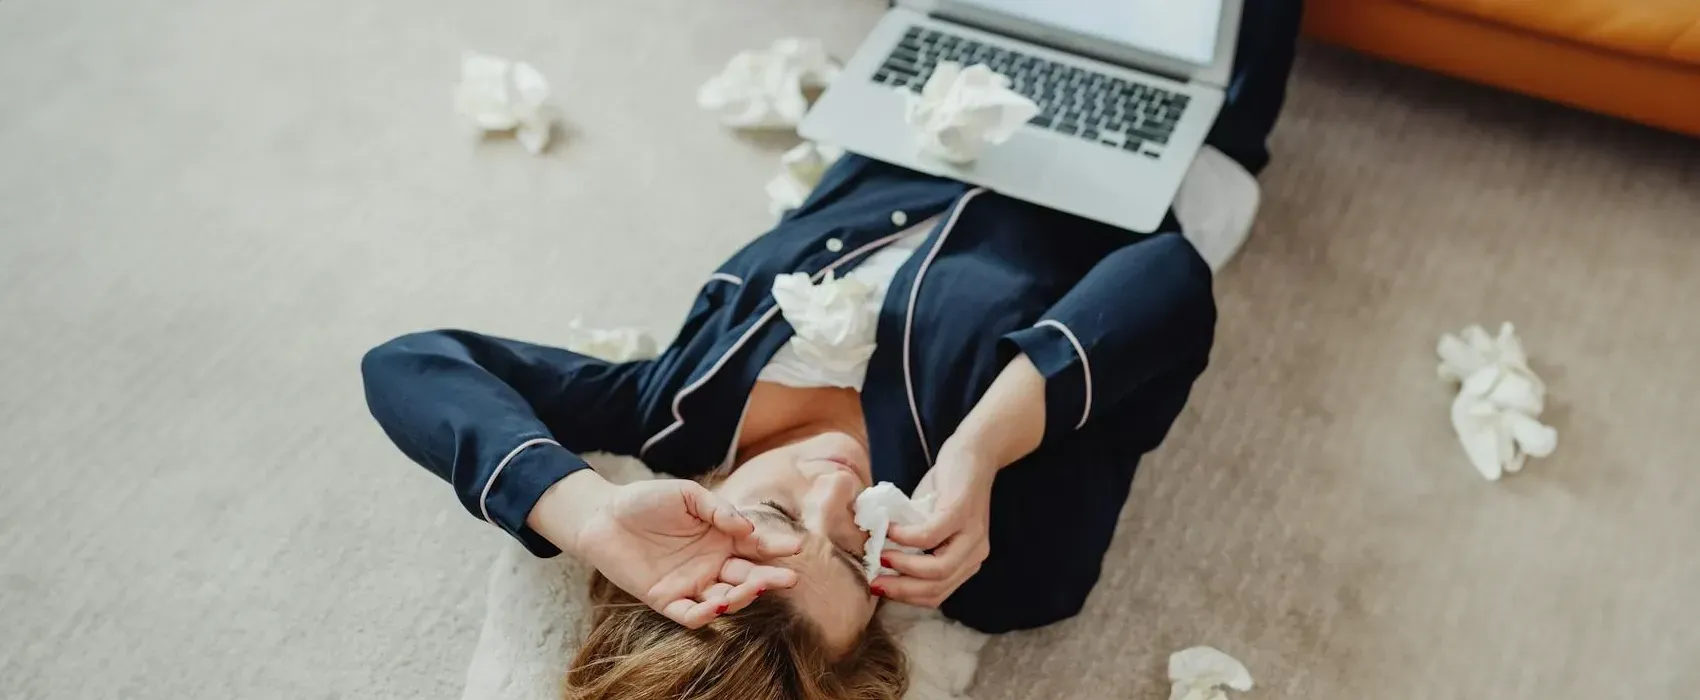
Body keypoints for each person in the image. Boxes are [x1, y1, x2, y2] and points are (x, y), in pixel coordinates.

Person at [361, 5, 1299, 698]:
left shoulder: (673, 406)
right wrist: (980, 447)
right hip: (1167, 112)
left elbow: (408, 365)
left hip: (955, 39)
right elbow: (1167, 280)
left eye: (771, 511)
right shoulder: (1011, 567)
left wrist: (589, 515)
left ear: (701, 509)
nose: (838, 489)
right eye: (854, 560)